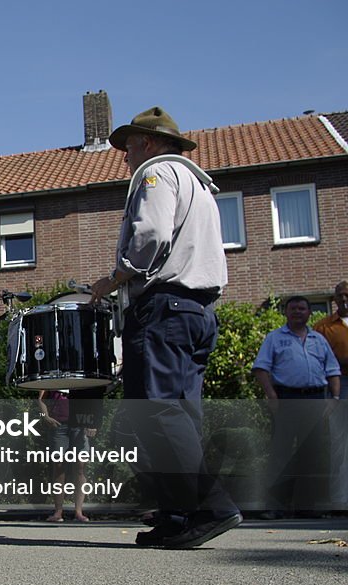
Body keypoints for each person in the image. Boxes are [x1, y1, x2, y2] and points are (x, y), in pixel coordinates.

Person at [90, 107, 241, 549]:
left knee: (157, 412)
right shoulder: (200, 184)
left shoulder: (156, 175)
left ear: (149, 144)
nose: (125, 158)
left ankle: (211, 506)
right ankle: (179, 515)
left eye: (129, 147)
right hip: (197, 312)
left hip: (163, 309)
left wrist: (114, 277)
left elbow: (150, 236)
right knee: (179, 415)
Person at [253, 296, 339, 517]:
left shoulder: (319, 340)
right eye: (293, 308)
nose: (297, 312)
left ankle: (308, 508)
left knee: (312, 454)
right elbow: (261, 369)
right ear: (286, 312)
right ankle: (274, 507)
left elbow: (332, 371)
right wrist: (271, 396)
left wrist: (334, 398)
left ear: (310, 312)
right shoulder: (274, 338)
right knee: (280, 454)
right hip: (287, 399)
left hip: (315, 400)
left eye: (302, 308)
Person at [313, 281, 348, 510]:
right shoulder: (323, 327)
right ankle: (340, 500)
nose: (343, 300)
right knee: (340, 443)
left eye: (347, 295)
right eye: (339, 296)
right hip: (340, 384)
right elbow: (318, 359)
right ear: (334, 299)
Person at [35, 390, 92, 523]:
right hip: (59, 426)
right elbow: (41, 399)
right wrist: (45, 417)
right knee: (59, 467)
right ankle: (58, 511)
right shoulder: (52, 375)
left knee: (80, 467)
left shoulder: (79, 375)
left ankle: (79, 511)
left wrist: (92, 422)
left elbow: (92, 397)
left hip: (80, 424)